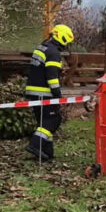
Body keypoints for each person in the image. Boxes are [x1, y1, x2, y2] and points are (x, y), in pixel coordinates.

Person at [24, 23, 74, 161]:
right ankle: (35, 144)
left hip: (33, 91)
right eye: (67, 43)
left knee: (44, 122)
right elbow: (52, 76)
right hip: (44, 93)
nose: (66, 46)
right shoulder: (53, 52)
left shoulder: (42, 47)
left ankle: (47, 152)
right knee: (53, 120)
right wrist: (58, 94)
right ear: (63, 38)